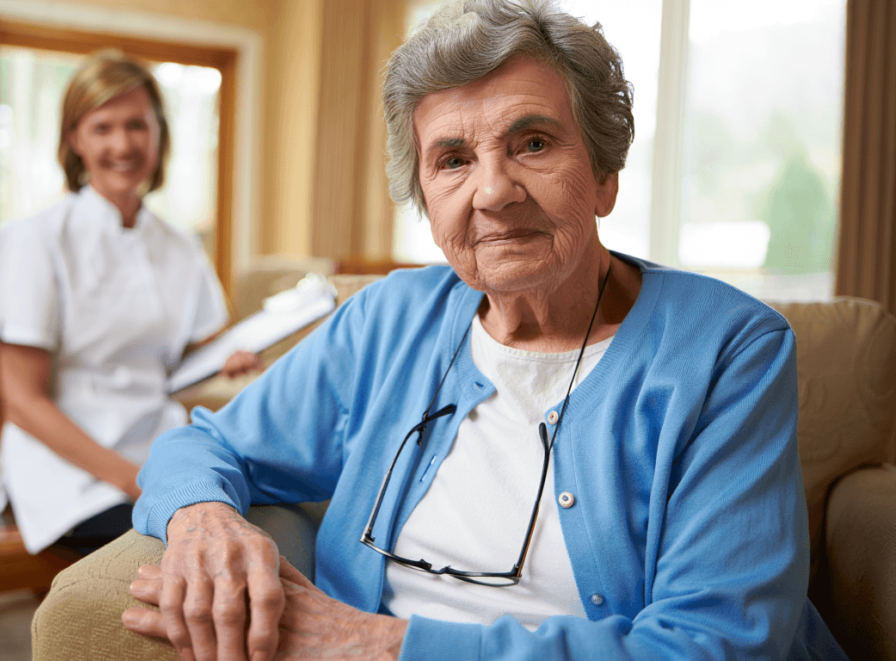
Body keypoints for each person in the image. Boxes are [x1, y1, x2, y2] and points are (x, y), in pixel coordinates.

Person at [120, 1, 848, 659]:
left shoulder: (727, 349)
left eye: (533, 142)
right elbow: (205, 442)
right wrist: (202, 516)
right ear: (428, 202)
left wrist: (378, 643)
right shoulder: (388, 319)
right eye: (454, 160)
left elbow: (715, 644)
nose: (494, 191)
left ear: (604, 175)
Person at [0, 50, 259, 557]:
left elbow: (185, 362)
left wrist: (224, 361)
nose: (122, 144)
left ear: (158, 134)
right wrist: (135, 481)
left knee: (255, 522)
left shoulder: (180, 245)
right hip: (68, 472)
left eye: (136, 126)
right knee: (197, 547)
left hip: (159, 448)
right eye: (102, 127)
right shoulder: (34, 240)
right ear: (74, 139)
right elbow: (22, 402)